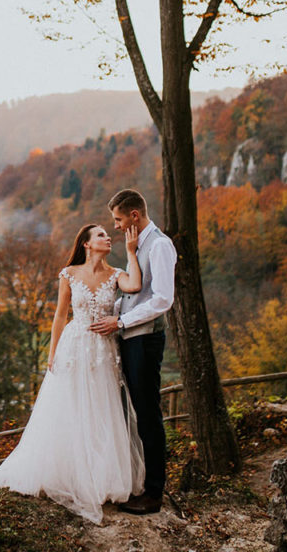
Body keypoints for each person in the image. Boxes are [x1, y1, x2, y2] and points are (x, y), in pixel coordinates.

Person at [0, 223, 145, 523]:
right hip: (74, 346)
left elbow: (135, 285)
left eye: (108, 234)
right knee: (70, 408)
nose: (108, 237)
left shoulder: (116, 274)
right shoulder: (69, 274)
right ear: (87, 244)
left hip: (103, 351)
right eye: (101, 235)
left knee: (102, 410)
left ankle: (101, 478)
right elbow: (59, 314)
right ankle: (68, 474)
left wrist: (132, 252)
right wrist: (52, 354)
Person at [90, 189, 176, 515]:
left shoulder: (161, 246)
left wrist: (122, 321)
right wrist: (105, 311)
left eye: (118, 219)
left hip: (144, 339)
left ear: (134, 217)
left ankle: (154, 493)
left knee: (148, 413)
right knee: (132, 411)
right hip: (129, 336)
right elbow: (132, 295)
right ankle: (137, 481)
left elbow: (162, 299)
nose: (115, 226)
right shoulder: (135, 246)